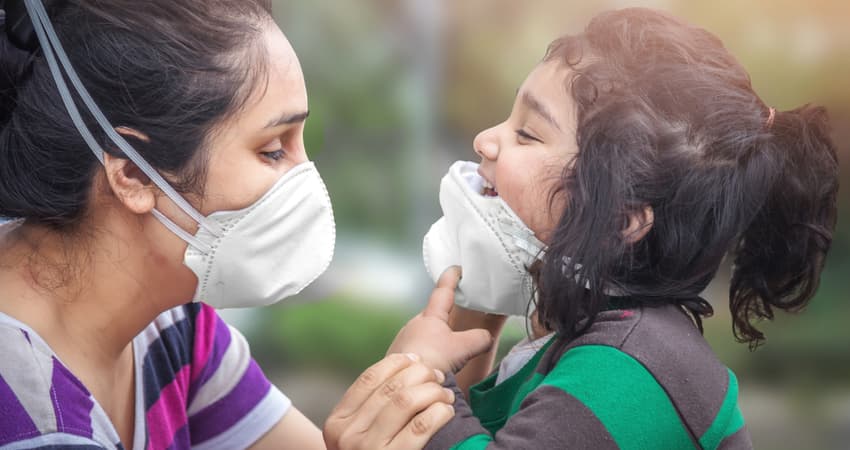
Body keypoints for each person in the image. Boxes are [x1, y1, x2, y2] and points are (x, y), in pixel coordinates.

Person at [325, 7, 840, 450]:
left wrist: (423, 374)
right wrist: (468, 321)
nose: (485, 140)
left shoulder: (632, 367)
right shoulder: (575, 340)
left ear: (620, 219)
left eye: (527, 133)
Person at [0, 0, 479, 448]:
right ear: (131, 173)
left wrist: (423, 363)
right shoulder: (26, 415)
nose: (308, 181)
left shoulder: (173, 327)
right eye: (273, 150)